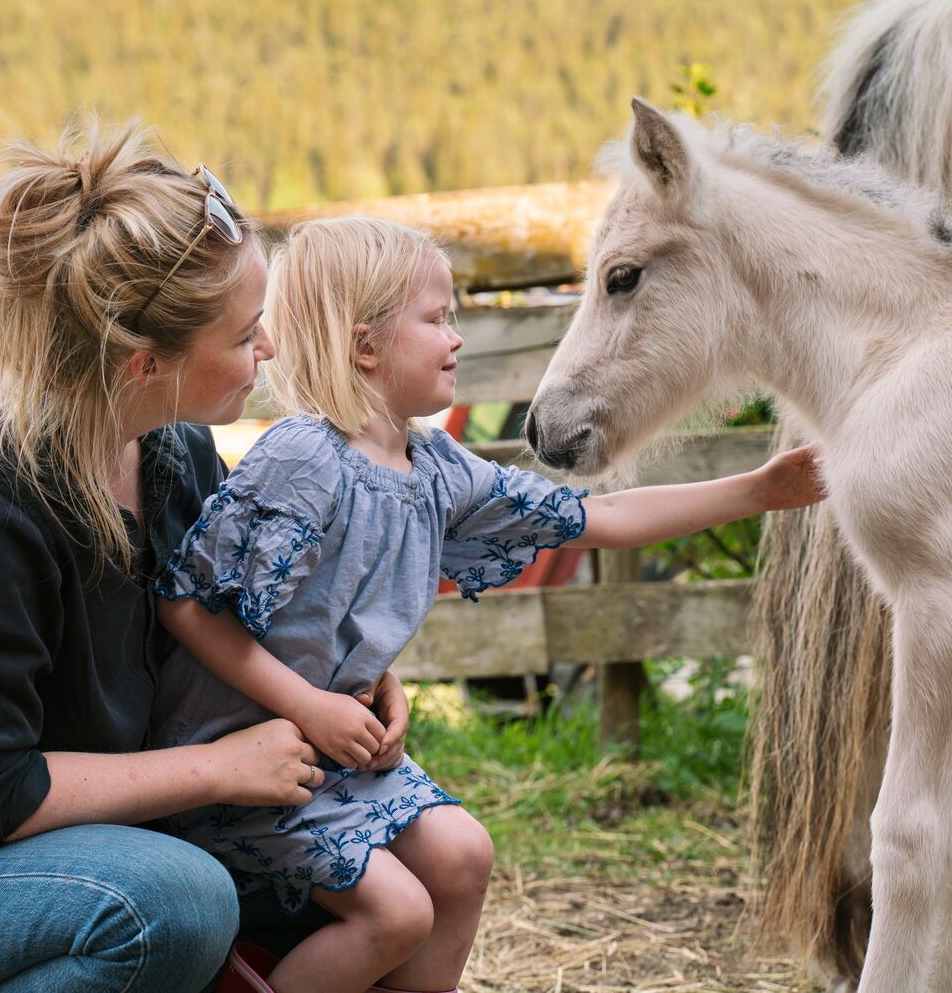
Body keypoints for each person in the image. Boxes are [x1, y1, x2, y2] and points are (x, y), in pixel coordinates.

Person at [152, 216, 827, 993]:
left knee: (465, 855)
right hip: (248, 759)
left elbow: (595, 518)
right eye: (437, 319)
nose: (457, 338)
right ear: (366, 345)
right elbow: (190, 608)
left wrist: (760, 489)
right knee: (397, 913)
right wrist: (311, 705)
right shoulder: (302, 460)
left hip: (336, 752)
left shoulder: (433, 466)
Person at [0, 120, 377, 993]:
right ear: (145, 363)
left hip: (101, 837)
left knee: (372, 864)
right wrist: (219, 767)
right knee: (176, 904)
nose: (270, 350)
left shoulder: (176, 454)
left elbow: (229, 629)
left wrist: (348, 673)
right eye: (247, 332)